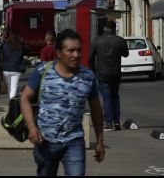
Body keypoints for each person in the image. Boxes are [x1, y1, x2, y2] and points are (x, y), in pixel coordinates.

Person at [20, 29, 105, 176]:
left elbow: (96, 110)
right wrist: (32, 127)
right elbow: (25, 98)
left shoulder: (88, 77)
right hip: (45, 141)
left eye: (79, 50)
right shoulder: (43, 71)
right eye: (70, 51)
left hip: (74, 141)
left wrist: (99, 140)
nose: (76, 55)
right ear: (59, 53)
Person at [89, 21, 129, 132]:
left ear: (104, 28)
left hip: (102, 73)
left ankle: (108, 123)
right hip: (116, 73)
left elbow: (90, 58)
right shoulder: (120, 40)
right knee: (115, 96)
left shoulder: (97, 40)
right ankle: (116, 122)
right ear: (114, 28)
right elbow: (126, 54)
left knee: (106, 98)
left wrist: (93, 72)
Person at [2, 31, 28, 99]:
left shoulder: (5, 46)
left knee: (9, 86)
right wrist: (22, 42)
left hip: (6, 69)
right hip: (17, 69)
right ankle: (12, 102)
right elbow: (27, 50)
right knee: (14, 86)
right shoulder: (20, 47)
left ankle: (11, 100)